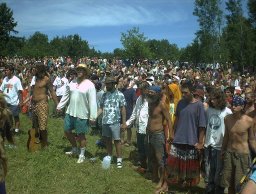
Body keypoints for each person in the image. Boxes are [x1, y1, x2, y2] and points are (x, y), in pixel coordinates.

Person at [166, 81, 207, 191]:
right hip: (178, 139)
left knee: (190, 167)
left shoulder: (199, 106)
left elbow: (202, 126)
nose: (183, 95)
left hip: (191, 140)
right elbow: (177, 119)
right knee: (174, 164)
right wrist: (172, 134)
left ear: (193, 92)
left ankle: (189, 185)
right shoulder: (180, 103)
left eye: (186, 93)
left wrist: (200, 142)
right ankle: (177, 182)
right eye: (182, 92)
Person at [57, 64, 97, 163]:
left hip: (82, 113)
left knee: (81, 135)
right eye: (78, 69)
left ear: (85, 72)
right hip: (70, 111)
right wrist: (60, 106)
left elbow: (93, 101)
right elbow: (66, 95)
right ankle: (75, 148)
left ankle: (82, 155)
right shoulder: (72, 82)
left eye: (82, 69)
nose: (79, 71)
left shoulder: (90, 84)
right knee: (67, 131)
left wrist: (93, 116)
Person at [220, 95, 256, 194]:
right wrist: (222, 151)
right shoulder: (227, 119)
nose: (233, 107)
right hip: (229, 153)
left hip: (243, 156)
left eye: (236, 105)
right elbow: (226, 136)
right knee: (229, 183)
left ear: (242, 106)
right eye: (232, 104)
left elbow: (252, 140)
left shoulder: (249, 121)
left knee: (240, 184)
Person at [145, 85, 173, 193]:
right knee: (152, 157)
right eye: (149, 92)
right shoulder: (149, 103)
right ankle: (154, 177)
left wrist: (171, 134)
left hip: (158, 134)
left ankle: (162, 181)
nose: (150, 94)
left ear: (157, 94)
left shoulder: (162, 105)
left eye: (153, 93)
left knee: (160, 159)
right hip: (149, 133)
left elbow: (169, 120)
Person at [204, 89, 232, 194]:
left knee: (219, 169)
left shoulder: (227, 112)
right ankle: (209, 187)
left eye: (214, 99)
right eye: (211, 99)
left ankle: (218, 188)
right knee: (209, 168)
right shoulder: (209, 110)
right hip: (208, 143)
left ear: (220, 99)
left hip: (220, 145)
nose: (212, 101)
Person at [97, 76, 126, 169]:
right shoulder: (104, 95)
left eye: (108, 84)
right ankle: (109, 155)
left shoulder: (120, 94)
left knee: (117, 141)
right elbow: (101, 108)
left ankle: (119, 159)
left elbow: (123, 109)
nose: (106, 85)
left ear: (113, 84)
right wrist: (94, 117)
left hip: (115, 121)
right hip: (105, 121)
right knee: (108, 140)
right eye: (106, 84)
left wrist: (124, 122)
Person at [121, 81, 150, 171]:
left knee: (148, 149)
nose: (140, 92)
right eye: (139, 90)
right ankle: (143, 166)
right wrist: (127, 123)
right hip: (139, 128)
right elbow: (134, 113)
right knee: (141, 148)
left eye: (142, 90)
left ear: (147, 90)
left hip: (147, 129)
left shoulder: (151, 100)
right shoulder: (139, 99)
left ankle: (150, 169)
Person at [31, 63, 58, 149]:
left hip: (42, 103)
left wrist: (57, 104)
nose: (34, 70)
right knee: (35, 125)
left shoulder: (46, 79)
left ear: (40, 70)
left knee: (42, 126)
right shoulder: (35, 78)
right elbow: (32, 91)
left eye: (36, 68)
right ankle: (38, 140)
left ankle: (45, 144)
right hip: (33, 103)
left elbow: (52, 91)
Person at [0, 65, 23, 134]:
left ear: (12, 71)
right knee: (8, 117)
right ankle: (10, 129)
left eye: (7, 70)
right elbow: (1, 90)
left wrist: (21, 102)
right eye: (5, 70)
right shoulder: (5, 79)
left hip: (14, 102)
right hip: (6, 102)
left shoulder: (16, 80)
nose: (5, 71)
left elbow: (20, 91)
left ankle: (16, 131)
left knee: (15, 117)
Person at [120, 76, 137, 146]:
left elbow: (134, 102)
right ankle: (122, 140)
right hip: (121, 111)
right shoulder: (121, 90)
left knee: (129, 127)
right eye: (123, 81)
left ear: (128, 82)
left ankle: (129, 141)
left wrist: (133, 112)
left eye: (124, 82)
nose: (123, 83)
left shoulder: (132, 91)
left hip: (129, 111)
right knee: (121, 126)